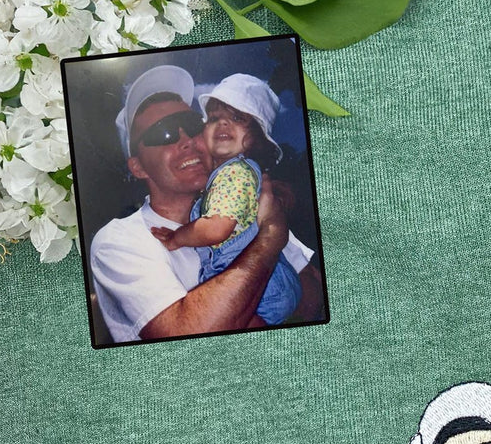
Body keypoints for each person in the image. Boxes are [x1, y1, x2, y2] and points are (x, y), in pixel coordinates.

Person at [89, 64, 323, 343]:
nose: (186, 140)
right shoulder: (119, 240)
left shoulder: (243, 201)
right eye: (163, 133)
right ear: (138, 167)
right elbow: (187, 334)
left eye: (191, 125)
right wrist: (269, 240)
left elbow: (312, 295)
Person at [149, 74, 302, 328]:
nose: (222, 123)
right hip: (268, 283)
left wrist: (177, 238)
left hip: (264, 289)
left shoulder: (235, 173)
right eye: (213, 118)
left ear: (257, 137)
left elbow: (217, 227)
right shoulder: (228, 175)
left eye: (238, 118)